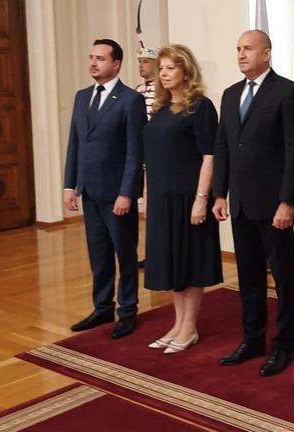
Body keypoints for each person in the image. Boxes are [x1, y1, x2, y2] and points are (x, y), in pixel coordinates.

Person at [212, 30, 294, 376]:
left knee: (282, 277)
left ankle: (283, 345)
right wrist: (219, 193)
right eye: (238, 48)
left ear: (267, 54)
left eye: (248, 48)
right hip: (240, 203)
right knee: (249, 275)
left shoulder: (288, 92)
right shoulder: (230, 94)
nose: (241, 54)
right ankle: (252, 339)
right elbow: (223, 146)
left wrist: (288, 202)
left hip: (273, 206)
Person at [63, 39, 147, 339]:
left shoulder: (130, 100)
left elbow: (135, 151)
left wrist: (127, 192)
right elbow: (75, 144)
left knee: (125, 253)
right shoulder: (82, 97)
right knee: (98, 254)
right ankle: (102, 308)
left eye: (100, 58)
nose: (93, 63)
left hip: (117, 194)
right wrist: (69, 185)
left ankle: (127, 311)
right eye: (91, 57)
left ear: (116, 64)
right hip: (89, 191)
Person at [143, 44, 223, 354]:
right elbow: (152, 158)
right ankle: (178, 324)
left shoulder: (201, 107)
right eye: (161, 69)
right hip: (162, 199)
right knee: (172, 263)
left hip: (188, 197)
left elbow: (209, 156)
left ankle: (189, 327)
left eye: (170, 68)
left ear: (186, 71)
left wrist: (202, 199)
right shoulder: (160, 109)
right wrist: (147, 196)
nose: (163, 74)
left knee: (190, 263)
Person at [135, 46, 158, 269]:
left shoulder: (163, 92)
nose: (141, 66)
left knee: (154, 208)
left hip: (155, 159)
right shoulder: (138, 91)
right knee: (145, 209)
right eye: (140, 62)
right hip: (140, 158)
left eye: (146, 61)